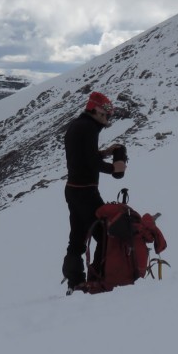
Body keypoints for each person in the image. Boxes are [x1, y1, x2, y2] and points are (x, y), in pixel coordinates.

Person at [61, 91, 127, 291]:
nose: (109, 116)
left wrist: (104, 153)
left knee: (78, 236)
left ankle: (76, 281)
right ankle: (98, 278)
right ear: (95, 109)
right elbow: (90, 162)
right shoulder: (89, 128)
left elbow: (81, 155)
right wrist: (114, 168)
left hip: (73, 189)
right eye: (106, 111)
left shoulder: (77, 125)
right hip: (86, 192)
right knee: (105, 233)